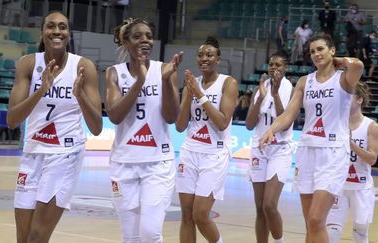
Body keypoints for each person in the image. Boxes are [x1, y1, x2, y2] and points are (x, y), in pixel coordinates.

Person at [6, 11, 102, 243]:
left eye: (62, 27)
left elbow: (97, 126)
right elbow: (12, 120)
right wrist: (41, 90)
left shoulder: (83, 67)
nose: (57, 32)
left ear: (69, 34)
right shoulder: (28, 64)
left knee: (37, 237)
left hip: (65, 153)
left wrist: (79, 96)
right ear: (42, 31)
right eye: (51, 26)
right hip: (33, 151)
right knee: (23, 237)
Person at [260, 33, 364, 243]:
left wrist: (340, 61)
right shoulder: (304, 81)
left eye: (321, 49)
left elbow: (358, 65)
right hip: (308, 151)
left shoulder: (343, 78)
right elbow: (289, 114)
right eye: (313, 51)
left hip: (333, 152)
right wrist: (272, 128)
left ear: (332, 51)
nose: (316, 54)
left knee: (317, 219)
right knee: (310, 223)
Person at [105, 18, 183, 242]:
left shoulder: (164, 70)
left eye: (149, 36)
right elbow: (115, 115)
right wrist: (139, 81)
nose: (145, 40)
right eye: (138, 36)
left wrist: (167, 81)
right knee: (130, 236)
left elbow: (171, 118)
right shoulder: (114, 73)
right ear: (126, 43)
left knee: (150, 232)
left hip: (157, 163)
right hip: (123, 163)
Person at [176, 36, 238, 243]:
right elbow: (180, 125)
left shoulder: (228, 83)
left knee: (200, 215)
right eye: (201, 55)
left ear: (218, 59)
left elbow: (222, 122)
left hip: (214, 155)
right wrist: (189, 94)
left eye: (210, 55)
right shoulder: (191, 85)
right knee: (186, 215)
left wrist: (200, 95)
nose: (205, 58)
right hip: (190, 151)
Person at [245, 50, 293, 243]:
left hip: (280, 148)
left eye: (278, 65)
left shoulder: (290, 88)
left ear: (286, 68)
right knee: (259, 208)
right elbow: (249, 124)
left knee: (269, 206)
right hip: (259, 148)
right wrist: (260, 97)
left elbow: (286, 124)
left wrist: (275, 95)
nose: (274, 68)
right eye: (271, 65)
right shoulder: (261, 87)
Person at [326, 81, 378, 243]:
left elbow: (372, 159)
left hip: (361, 186)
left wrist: (351, 144)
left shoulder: (371, 126)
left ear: (359, 100)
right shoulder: (335, 123)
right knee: (332, 230)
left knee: (360, 231)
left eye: (349, 96)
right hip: (339, 186)